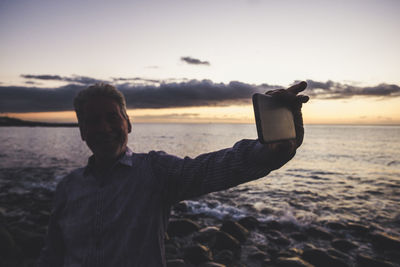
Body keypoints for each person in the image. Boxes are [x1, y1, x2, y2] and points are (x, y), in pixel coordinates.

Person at [37, 81, 309, 266]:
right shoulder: (68, 187)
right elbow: (53, 253)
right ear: (82, 131)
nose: (104, 128)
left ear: (128, 123)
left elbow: (210, 168)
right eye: (92, 121)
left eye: (112, 117)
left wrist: (272, 151)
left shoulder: (154, 171)